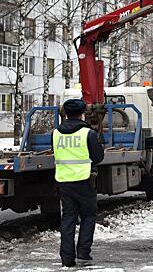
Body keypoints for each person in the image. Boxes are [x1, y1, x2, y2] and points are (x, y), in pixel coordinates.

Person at [52, 99, 104, 267]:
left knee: (68, 218)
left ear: (65, 114)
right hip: (84, 181)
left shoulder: (56, 133)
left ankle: (67, 259)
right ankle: (83, 254)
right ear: (82, 114)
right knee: (88, 216)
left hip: (64, 182)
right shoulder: (87, 133)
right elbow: (98, 157)